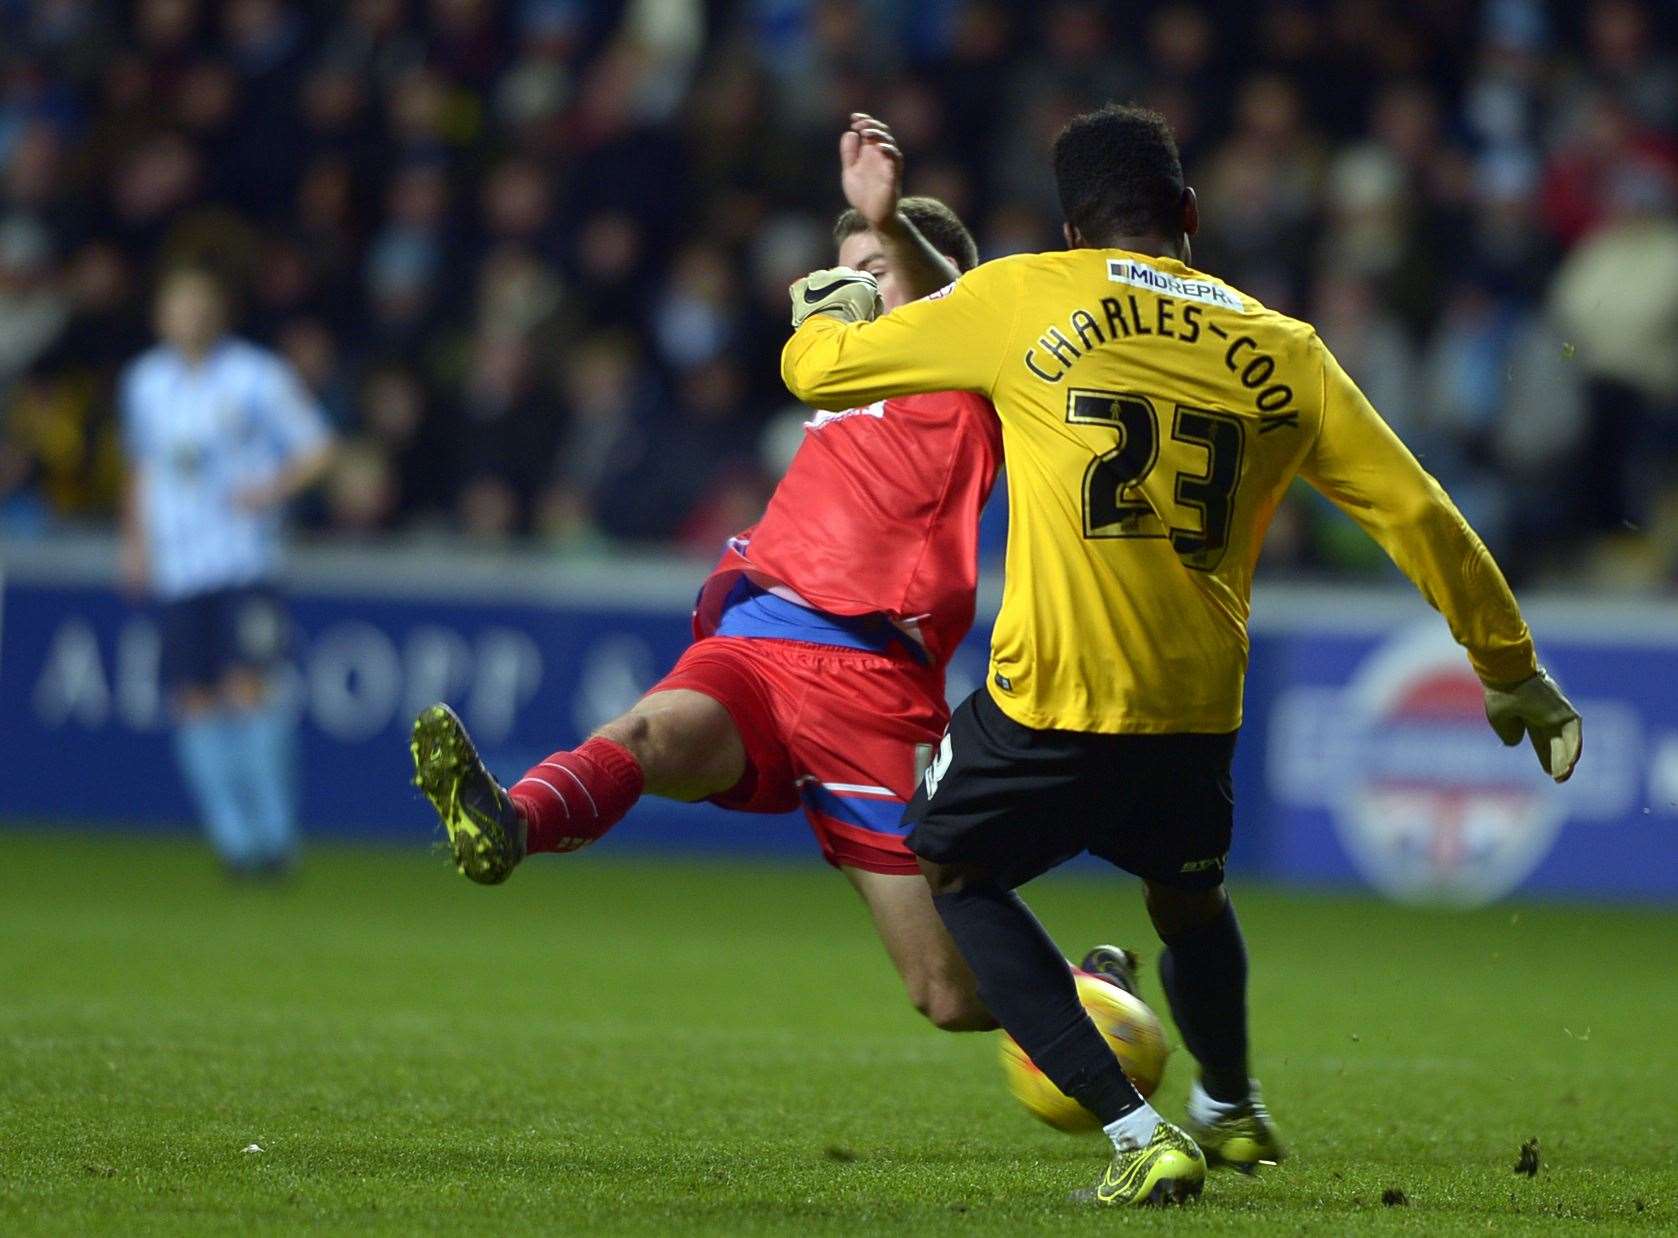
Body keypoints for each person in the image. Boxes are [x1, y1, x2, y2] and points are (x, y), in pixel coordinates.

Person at [780, 104, 1583, 1206]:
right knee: (1187, 896)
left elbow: (822, 374)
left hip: (1054, 698)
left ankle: (1133, 1128)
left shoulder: (1025, 294)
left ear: (1071, 231)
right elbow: (1418, 511)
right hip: (1196, 714)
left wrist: (829, 301)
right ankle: (1235, 1104)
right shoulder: (1286, 349)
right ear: (1189, 214)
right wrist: (1507, 663)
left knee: (955, 867)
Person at [413, 116, 1145, 1030]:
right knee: (643, 736)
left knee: (946, 994)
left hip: (871, 682)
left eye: (874, 269)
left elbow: (963, 299)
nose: (860, 290)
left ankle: (1089, 988)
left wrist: (892, 222)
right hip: (758, 643)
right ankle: (508, 823)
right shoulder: (842, 381)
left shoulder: (980, 371)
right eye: (850, 273)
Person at [120, 266, 335, 876]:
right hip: (178, 568)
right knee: (191, 699)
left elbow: (318, 446)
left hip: (245, 561)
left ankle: (276, 836)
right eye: (175, 304)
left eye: (197, 304)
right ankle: (233, 841)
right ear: (161, 314)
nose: (186, 316)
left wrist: (271, 488)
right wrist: (134, 544)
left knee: (248, 688)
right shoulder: (144, 382)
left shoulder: (256, 376)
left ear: (218, 313)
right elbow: (141, 468)